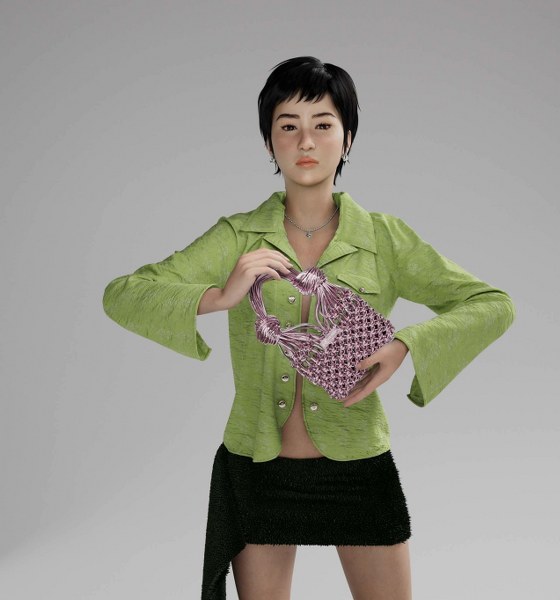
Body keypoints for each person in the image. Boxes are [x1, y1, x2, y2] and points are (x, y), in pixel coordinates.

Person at [103, 56, 516, 600]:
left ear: (348, 140)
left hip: (357, 465)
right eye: (288, 126)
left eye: (323, 124)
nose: (305, 141)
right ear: (268, 142)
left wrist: (405, 345)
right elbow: (123, 294)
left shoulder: (384, 239)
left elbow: (491, 304)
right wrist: (219, 296)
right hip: (257, 466)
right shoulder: (237, 236)